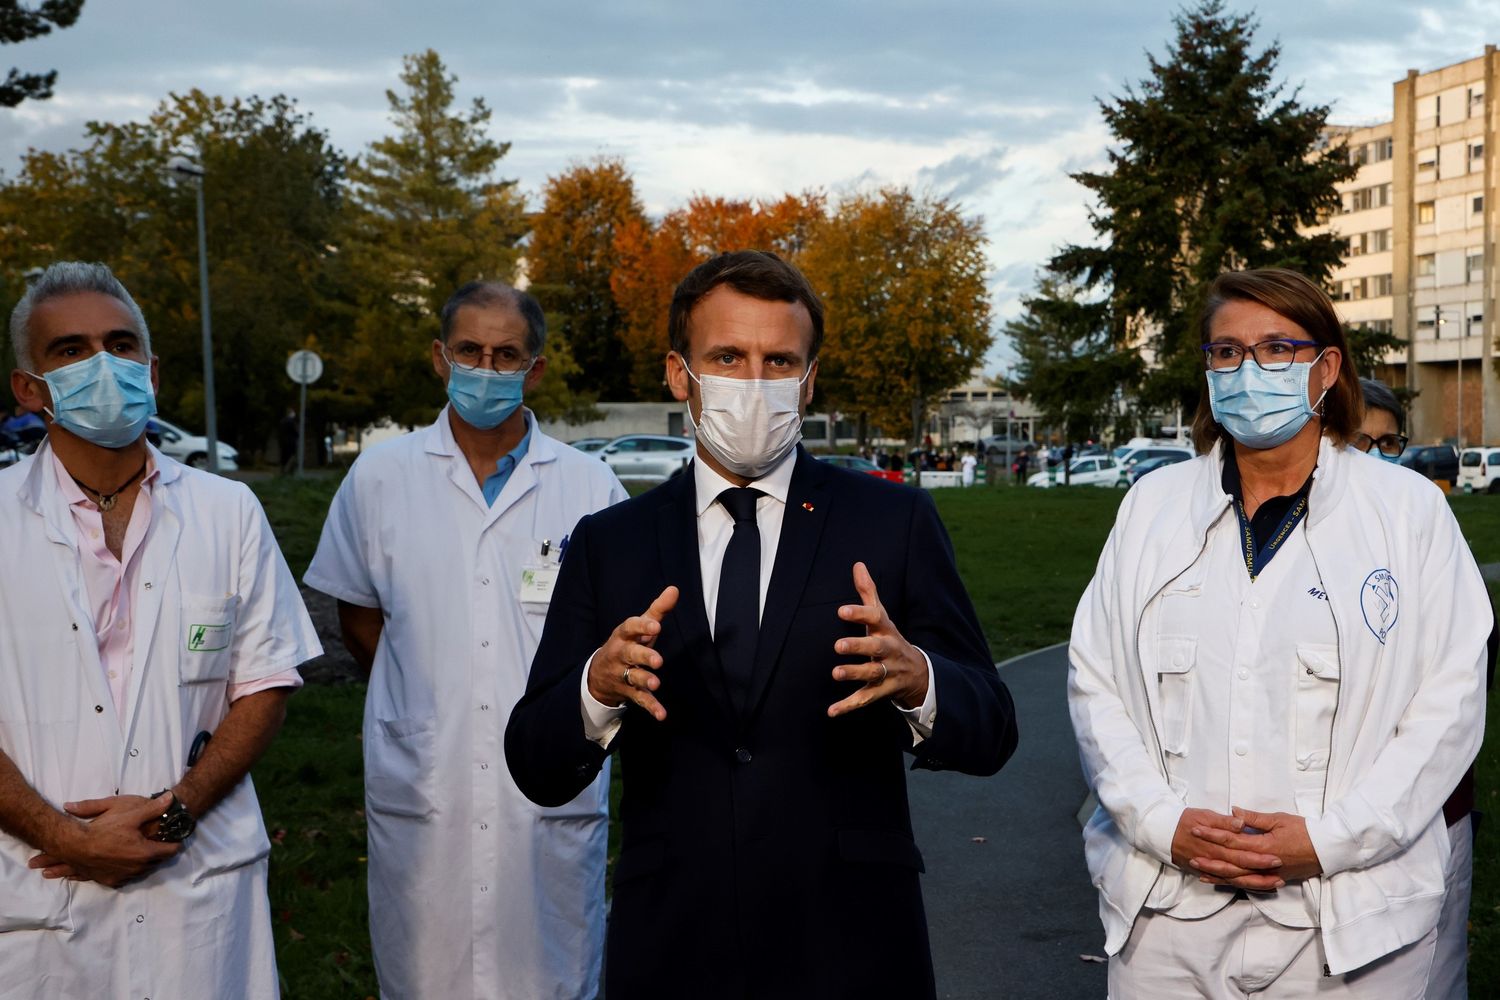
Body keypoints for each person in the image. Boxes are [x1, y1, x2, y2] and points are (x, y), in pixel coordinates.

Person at [505, 250, 1018, 999]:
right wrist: (594, 687)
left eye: (779, 360)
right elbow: (534, 760)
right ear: (680, 374)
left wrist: (921, 681)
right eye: (727, 357)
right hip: (673, 943)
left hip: (853, 944)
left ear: (808, 382)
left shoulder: (892, 521)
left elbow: (994, 728)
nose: (754, 383)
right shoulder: (610, 543)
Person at [1069, 268, 1488, 998]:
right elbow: (1094, 681)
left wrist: (1330, 841)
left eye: (1276, 348)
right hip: (1169, 913)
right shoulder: (1152, 509)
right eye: (1226, 353)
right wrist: (1161, 823)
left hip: (1354, 924)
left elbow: (1448, 705)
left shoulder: (1407, 512)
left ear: (1326, 368)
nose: (1248, 370)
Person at [0, 262, 320, 998]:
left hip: (199, 891)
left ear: (151, 367)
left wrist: (176, 814)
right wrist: (63, 836)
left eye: (120, 344)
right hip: (40, 896)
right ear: (29, 389)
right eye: (70, 351)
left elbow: (266, 684)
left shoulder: (227, 510)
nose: (102, 365)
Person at [304, 280, 627, 999]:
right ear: (440, 358)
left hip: (548, 796)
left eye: (506, 354)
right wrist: (424, 694)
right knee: (425, 973)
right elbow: (360, 617)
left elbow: (618, 641)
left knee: (552, 973)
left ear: (534, 368)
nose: (487, 367)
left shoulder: (590, 488)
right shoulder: (380, 478)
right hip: (425, 779)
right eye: (470, 351)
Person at [1356, 376, 1494, 1000]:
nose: (1378, 458)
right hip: (1328, 823)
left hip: (1431, 813)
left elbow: (1465, 663)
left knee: (1429, 976)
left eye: (1389, 444)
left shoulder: (1423, 522)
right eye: (1360, 441)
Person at [277, 406, 298, 475]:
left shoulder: (282, 421)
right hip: (291, 442)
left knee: (284, 457)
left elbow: (280, 432)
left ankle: (283, 471)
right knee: (292, 457)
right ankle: (290, 471)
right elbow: (295, 432)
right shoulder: (291, 422)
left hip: (283, 442)